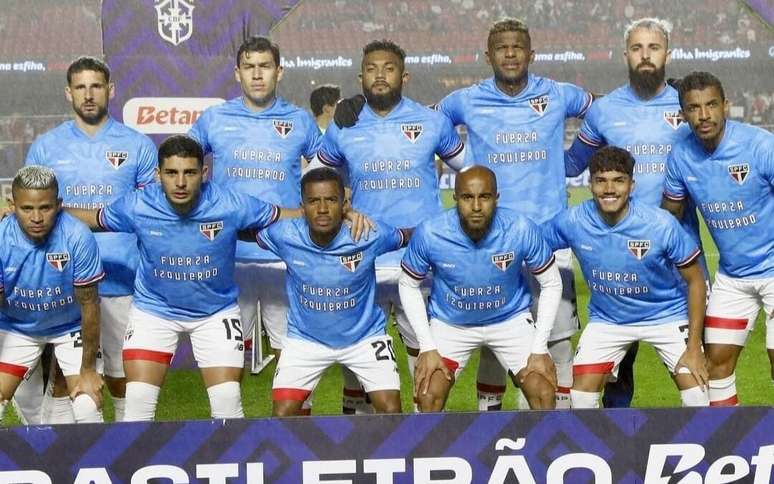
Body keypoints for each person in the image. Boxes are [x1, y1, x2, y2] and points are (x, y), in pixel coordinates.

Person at [433, 18, 593, 409]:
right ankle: (493, 425)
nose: (509, 53)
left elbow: (600, 115)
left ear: (531, 54)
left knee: (555, 339)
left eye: (517, 46)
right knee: (492, 338)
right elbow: (427, 124)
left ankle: (551, 428)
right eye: (501, 47)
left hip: (550, 240)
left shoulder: (558, 94)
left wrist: (572, 161)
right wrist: (465, 165)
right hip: (490, 240)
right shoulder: (466, 99)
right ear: (487, 55)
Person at [563, 18, 708, 408]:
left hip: (679, 252)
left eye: (654, 48)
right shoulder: (605, 110)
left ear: (667, 54)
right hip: (618, 259)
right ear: (625, 54)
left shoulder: (689, 106)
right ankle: (614, 453)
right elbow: (570, 164)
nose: (646, 56)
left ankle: (709, 446)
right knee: (616, 372)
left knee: (695, 368)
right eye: (637, 48)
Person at [316, 39, 465, 414]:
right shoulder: (345, 125)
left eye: (388, 68)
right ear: (360, 76)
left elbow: (473, 173)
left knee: (426, 357)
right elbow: (316, 179)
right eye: (371, 69)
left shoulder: (432, 122)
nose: (380, 75)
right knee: (358, 361)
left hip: (420, 263)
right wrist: (344, 210)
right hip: (364, 260)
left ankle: (424, 435)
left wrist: (456, 223)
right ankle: (360, 443)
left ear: (405, 75)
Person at [22, 56, 157, 423]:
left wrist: (78, 214)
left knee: (120, 377)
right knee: (67, 380)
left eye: (96, 86)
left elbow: (148, 213)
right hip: (62, 281)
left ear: (110, 90)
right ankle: (67, 463)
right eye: (80, 87)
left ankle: (130, 448)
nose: (89, 94)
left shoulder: (138, 145)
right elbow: (31, 211)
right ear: (68, 93)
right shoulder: (47, 148)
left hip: (124, 279)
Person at [188, 37, 322, 399]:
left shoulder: (299, 121)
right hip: (229, 258)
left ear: (279, 71)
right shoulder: (214, 119)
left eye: (265, 66)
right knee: (228, 358)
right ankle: (233, 435)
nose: (257, 74)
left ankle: (293, 437)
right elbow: (180, 166)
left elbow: (325, 174)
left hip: (284, 257)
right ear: (237, 73)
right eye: (249, 67)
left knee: (294, 354)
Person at [544, 146, 709, 408]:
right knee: (581, 397)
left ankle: (700, 447)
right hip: (609, 321)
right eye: (601, 181)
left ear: (632, 185)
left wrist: (693, 348)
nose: (609, 189)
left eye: (618, 181)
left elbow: (696, 281)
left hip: (666, 315)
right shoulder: (573, 221)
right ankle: (601, 447)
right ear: (590, 184)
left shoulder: (660, 224)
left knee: (697, 395)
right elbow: (531, 245)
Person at [399, 166, 561, 411]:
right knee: (427, 394)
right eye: (467, 197)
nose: (476, 206)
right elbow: (408, 284)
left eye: (484, 197)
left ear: (496, 198)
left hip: (510, 321)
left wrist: (539, 349)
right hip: (451, 324)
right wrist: (427, 346)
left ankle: (537, 449)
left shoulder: (520, 228)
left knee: (543, 391)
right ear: (454, 198)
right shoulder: (431, 233)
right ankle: (436, 450)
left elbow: (551, 282)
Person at [662, 71, 774, 406]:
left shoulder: (760, 146)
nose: (704, 115)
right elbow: (671, 214)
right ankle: (731, 443)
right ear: (683, 113)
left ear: (726, 106)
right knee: (715, 366)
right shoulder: (681, 154)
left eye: (711, 105)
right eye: (694, 108)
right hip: (734, 277)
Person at [258, 168, 407, 416]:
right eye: (314, 201)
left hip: (365, 338)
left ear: (344, 204)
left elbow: (410, 237)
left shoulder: (368, 233)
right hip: (305, 339)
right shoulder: (284, 234)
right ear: (302, 206)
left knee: (391, 411)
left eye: (331, 200)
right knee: (282, 415)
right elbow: (244, 231)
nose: (323, 208)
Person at [0, 166, 104, 423]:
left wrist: (88, 370)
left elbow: (90, 304)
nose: (37, 217)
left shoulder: (78, 236)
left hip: (70, 328)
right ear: (12, 205)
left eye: (45, 208)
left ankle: (92, 462)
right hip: (16, 328)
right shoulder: (1, 239)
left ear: (58, 205)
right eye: (27, 209)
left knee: (86, 405)